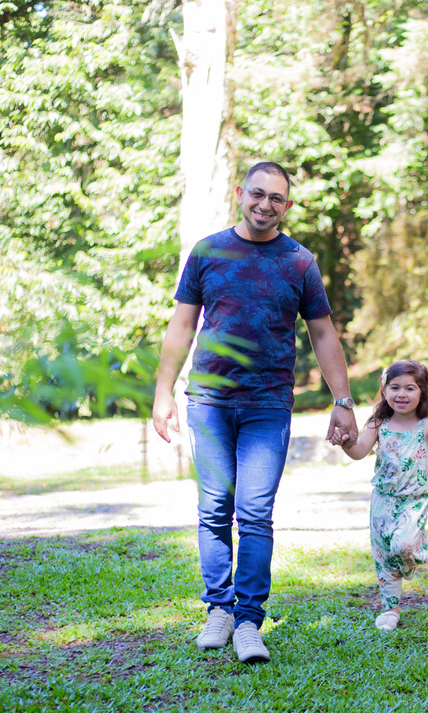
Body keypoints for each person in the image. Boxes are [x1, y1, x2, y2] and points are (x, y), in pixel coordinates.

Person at [152, 161, 359, 664]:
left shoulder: (300, 262)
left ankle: (249, 621)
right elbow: (181, 326)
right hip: (210, 401)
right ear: (241, 193)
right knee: (214, 507)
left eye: (277, 199)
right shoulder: (208, 252)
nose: (265, 205)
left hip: (269, 404)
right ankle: (218, 610)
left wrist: (343, 400)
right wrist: (163, 393)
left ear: (287, 206)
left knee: (255, 513)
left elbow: (323, 332)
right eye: (258, 194)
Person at [340, 360, 428, 632]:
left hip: (414, 501)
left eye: (410, 388)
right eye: (395, 387)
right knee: (382, 555)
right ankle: (390, 610)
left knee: (402, 547)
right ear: (384, 389)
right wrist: (346, 443)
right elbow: (358, 452)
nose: (401, 394)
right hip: (382, 500)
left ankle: (414, 552)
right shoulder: (379, 422)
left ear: (423, 392)